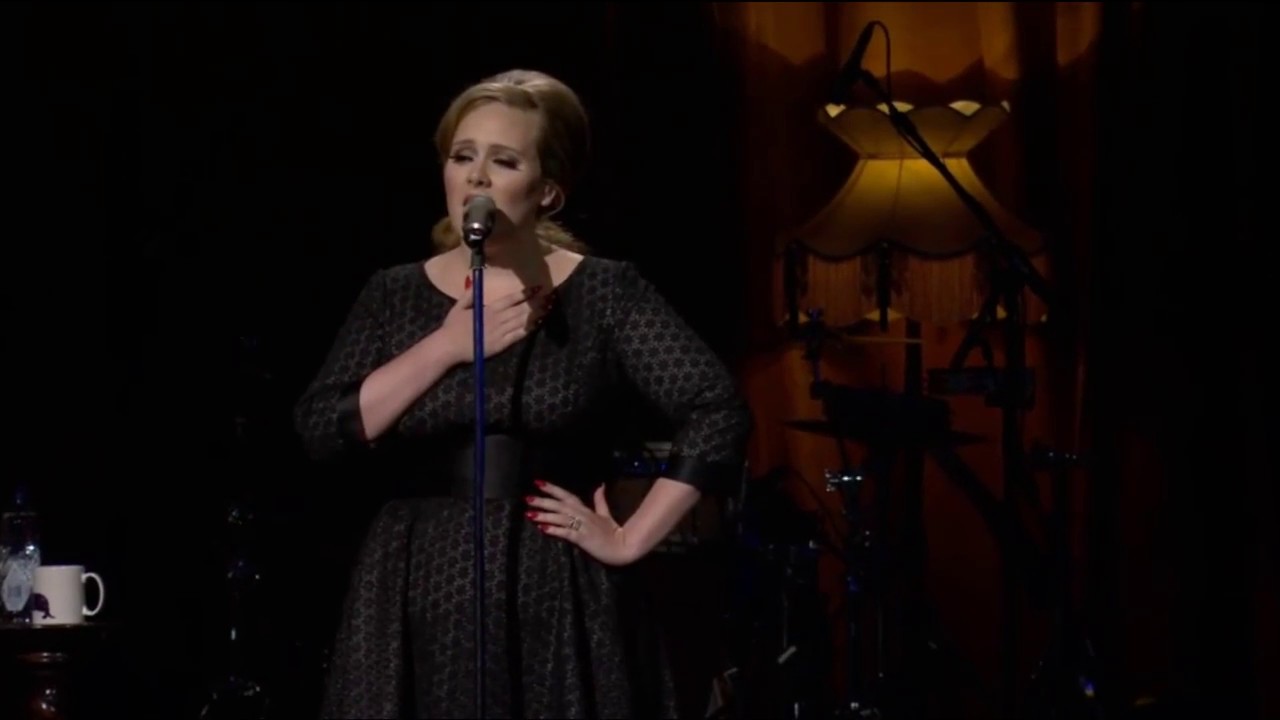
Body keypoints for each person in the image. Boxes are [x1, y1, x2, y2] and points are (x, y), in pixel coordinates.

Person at [293, 68, 751, 719]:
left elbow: (717, 410)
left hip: (553, 587)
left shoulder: (604, 293)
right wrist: (446, 347)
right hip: (412, 587)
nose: (476, 177)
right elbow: (322, 427)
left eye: (504, 161)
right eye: (463, 156)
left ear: (548, 190)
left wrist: (631, 539)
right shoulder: (392, 293)